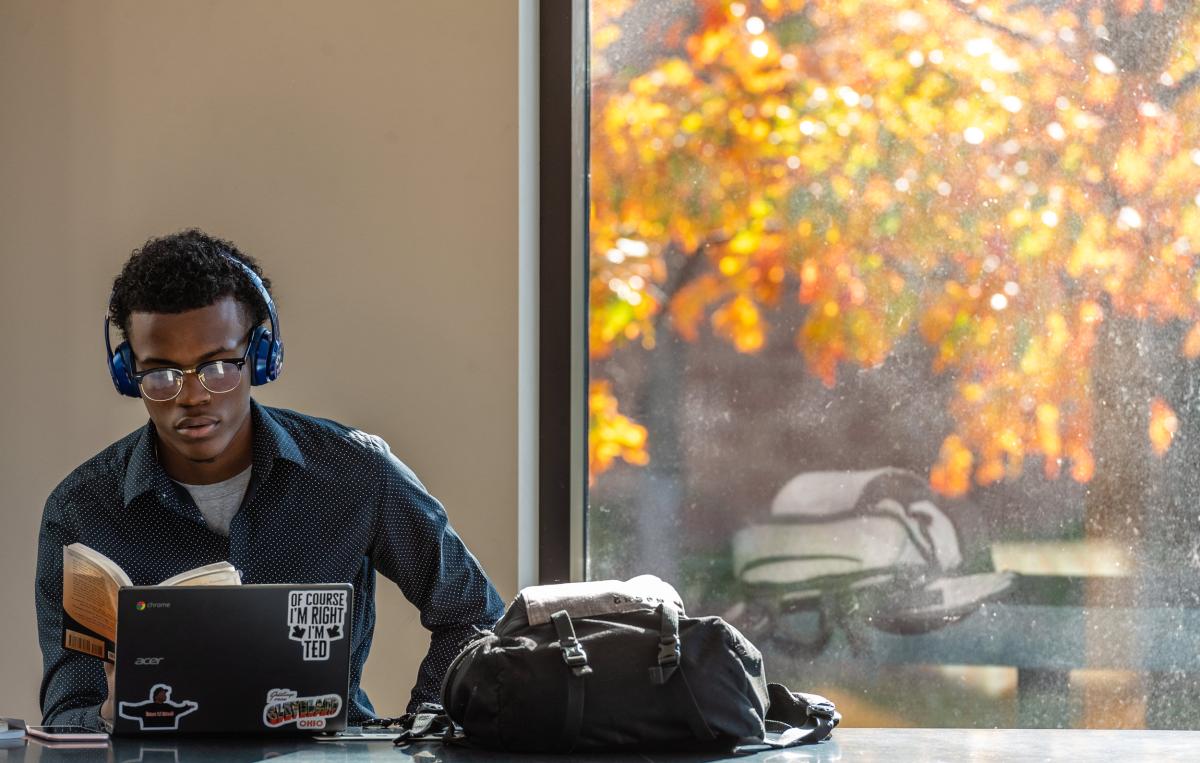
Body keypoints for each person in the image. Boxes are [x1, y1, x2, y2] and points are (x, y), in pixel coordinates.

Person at [35, 229, 504, 729]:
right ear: (129, 374)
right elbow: (65, 714)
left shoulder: (355, 472)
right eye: (162, 373)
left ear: (261, 356)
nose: (192, 396)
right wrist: (109, 711)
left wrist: (422, 729)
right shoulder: (82, 509)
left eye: (218, 366)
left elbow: (474, 616)